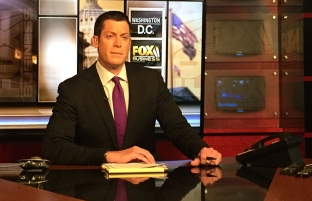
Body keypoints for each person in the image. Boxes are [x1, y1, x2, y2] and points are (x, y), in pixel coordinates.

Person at [42, 10, 222, 166]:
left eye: (124, 37)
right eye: (110, 36)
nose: (118, 44)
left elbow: (177, 127)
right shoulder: (73, 89)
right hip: (94, 187)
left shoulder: (151, 81)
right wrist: (110, 156)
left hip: (143, 186)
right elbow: (54, 147)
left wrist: (201, 150)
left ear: (130, 43)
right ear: (96, 41)